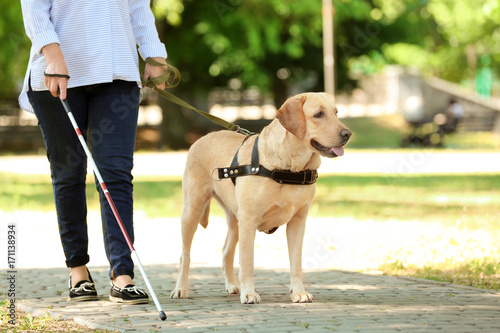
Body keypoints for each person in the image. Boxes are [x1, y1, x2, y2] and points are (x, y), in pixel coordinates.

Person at [19, 0, 169, 304]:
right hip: (57, 75)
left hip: (118, 76)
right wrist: (53, 55)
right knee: (68, 172)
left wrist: (154, 55)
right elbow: (34, 9)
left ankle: (122, 275)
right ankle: (78, 271)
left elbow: (138, 7)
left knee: (115, 173)